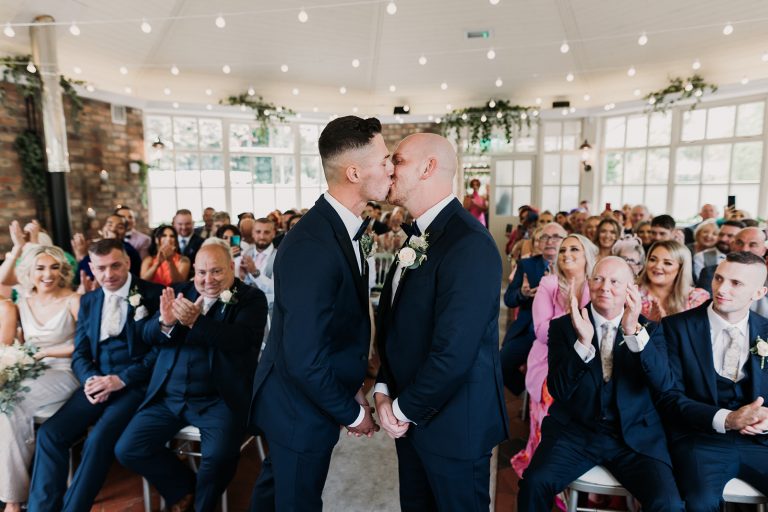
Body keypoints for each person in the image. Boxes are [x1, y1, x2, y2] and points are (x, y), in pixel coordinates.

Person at [249, 116, 390, 511]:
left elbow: (337, 327)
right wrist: (350, 412)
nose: (390, 167)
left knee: (276, 494)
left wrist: (354, 381)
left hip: (308, 396)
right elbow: (303, 356)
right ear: (354, 171)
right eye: (383, 160)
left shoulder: (342, 228)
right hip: (296, 407)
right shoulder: (313, 243)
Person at [373, 132, 508, 511]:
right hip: (414, 420)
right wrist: (384, 385)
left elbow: (453, 355)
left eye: (397, 160)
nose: (388, 168)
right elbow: (402, 328)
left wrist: (398, 411)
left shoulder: (470, 244)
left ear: (429, 167)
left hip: (456, 428)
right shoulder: (416, 236)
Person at [517, 257, 684, 511]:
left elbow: (664, 384)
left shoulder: (650, 329)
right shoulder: (564, 327)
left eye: (615, 281)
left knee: (669, 503)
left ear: (631, 288)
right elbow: (559, 390)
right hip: (575, 433)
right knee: (534, 483)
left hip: (635, 438)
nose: (605, 287)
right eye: (598, 279)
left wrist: (632, 333)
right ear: (589, 283)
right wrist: (583, 343)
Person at [115, 242, 267, 512]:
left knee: (219, 457)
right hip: (168, 395)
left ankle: (202, 506)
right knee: (128, 448)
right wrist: (165, 322)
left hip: (219, 399)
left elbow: (241, 341)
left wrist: (198, 322)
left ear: (231, 268)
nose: (207, 280)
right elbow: (147, 336)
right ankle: (183, 488)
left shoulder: (251, 299)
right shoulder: (180, 291)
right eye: (201, 273)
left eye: (216, 271)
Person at [28, 239, 163, 512]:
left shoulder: (154, 294)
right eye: (101, 268)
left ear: (127, 262)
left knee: (98, 439)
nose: (108, 274)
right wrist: (90, 378)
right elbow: (80, 352)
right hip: (96, 382)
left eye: (115, 265)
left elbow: (160, 354)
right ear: (91, 267)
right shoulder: (89, 301)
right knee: (50, 435)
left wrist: (121, 379)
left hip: (135, 385)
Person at [655, 252, 768, 510]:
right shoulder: (675, 327)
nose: (721, 289)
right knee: (699, 502)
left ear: (759, 293)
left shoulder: (767, 332)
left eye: (736, 283)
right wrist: (727, 419)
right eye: (718, 278)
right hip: (700, 440)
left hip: (760, 442)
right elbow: (669, 397)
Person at [0, 246, 80, 512]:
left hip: (65, 371)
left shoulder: (73, 300)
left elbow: (85, 345)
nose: (48, 274)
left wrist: (46, 352)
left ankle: (13, 500)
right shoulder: (23, 302)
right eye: (41, 268)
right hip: (30, 370)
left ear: (63, 270)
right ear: (29, 272)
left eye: (54, 267)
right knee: (4, 407)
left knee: (10, 407)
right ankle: (15, 493)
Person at [512, 234, 597, 476]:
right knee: (554, 395)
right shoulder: (549, 284)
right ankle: (546, 470)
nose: (567, 254)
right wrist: (571, 314)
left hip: (588, 362)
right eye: (563, 250)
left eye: (574, 249)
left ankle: (576, 469)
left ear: (587, 256)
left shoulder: (596, 285)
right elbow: (541, 332)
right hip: (549, 362)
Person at [500, 222, 567, 394]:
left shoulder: (572, 267)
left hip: (564, 332)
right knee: (501, 362)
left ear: (565, 241)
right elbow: (508, 299)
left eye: (556, 237)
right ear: (538, 242)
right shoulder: (527, 265)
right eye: (544, 237)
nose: (549, 241)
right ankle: (527, 392)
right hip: (530, 329)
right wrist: (522, 294)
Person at [638, 240, 709, 322]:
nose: (657, 266)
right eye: (653, 259)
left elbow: (697, 333)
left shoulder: (696, 298)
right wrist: (649, 323)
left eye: (667, 263)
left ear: (680, 268)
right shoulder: (632, 294)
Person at [77, 215, 142, 279]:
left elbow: (96, 279)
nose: (113, 229)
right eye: (110, 225)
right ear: (103, 229)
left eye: (120, 227)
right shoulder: (96, 247)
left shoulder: (129, 251)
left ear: (125, 232)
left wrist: (82, 255)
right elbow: (79, 277)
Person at [241, 218, 277, 314]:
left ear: (273, 233)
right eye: (258, 232)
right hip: (245, 308)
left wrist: (255, 272)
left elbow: (276, 288)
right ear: (252, 233)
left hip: (270, 311)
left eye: (266, 232)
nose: (262, 236)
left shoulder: (279, 257)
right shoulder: (245, 253)